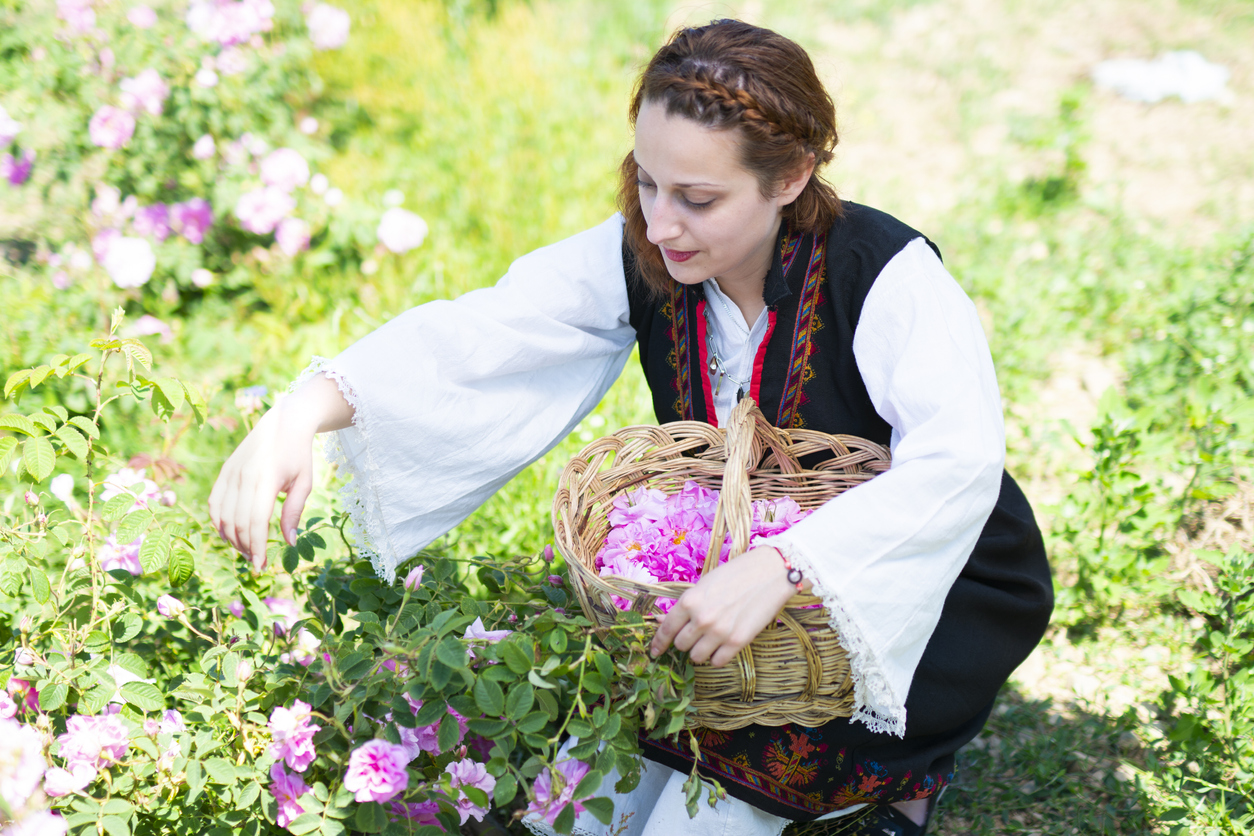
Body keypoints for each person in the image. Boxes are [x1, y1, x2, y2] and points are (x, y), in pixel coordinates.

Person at [210, 19, 1052, 836]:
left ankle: (894, 789)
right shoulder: (647, 254)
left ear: (791, 175)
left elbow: (959, 463)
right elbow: (486, 335)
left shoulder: (881, 273)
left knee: (718, 813)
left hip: (918, 580)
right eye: (646, 181)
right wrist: (302, 411)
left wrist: (787, 563)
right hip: (722, 584)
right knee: (570, 812)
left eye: (697, 197)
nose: (658, 223)